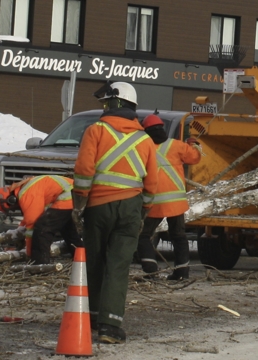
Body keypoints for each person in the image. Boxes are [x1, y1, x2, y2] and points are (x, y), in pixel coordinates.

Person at [71, 80, 159, 345]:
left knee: (96, 261)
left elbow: (84, 170)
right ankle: (110, 325)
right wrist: (143, 211)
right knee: (119, 265)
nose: (103, 107)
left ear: (115, 103)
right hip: (131, 207)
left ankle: (93, 317)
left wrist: (79, 205)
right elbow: (152, 181)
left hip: (98, 207)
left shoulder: (95, 130)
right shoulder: (144, 139)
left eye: (106, 102)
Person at [137, 114, 202, 281]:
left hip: (153, 202)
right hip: (176, 203)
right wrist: (194, 145)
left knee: (143, 235)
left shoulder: (143, 147)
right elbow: (195, 157)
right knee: (179, 236)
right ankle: (182, 272)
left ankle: (151, 270)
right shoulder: (176, 146)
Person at [0, 174, 76, 263]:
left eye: (12, 208)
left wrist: (30, 254)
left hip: (67, 196)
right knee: (68, 230)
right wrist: (20, 229)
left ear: (11, 200)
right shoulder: (25, 189)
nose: (14, 210)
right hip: (72, 193)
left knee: (42, 230)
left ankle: (40, 266)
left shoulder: (26, 195)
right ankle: (81, 258)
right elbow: (30, 215)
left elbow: (32, 225)